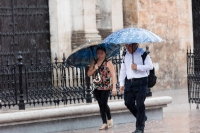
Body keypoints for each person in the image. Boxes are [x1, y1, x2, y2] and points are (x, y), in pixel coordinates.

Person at [119, 43, 153, 133]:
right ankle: (142, 117)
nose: (128, 48)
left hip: (141, 82)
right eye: (126, 46)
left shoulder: (143, 53)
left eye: (130, 46)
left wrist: (137, 67)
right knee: (128, 102)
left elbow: (150, 66)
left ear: (136, 45)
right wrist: (121, 83)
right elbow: (123, 69)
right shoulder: (125, 55)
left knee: (140, 104)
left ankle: (139, 128)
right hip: (129, 82)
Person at [87, 46, 117, 130]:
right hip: (96, 86)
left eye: (102, 53)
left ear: (105, 53)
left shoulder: (108, 62)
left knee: (104, 102)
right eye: (98, 53)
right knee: (100, 104)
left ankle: (109, 118)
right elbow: (89, 74)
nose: (100, 55)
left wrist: (114, 87)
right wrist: (94, 68)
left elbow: (113, 74)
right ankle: (104, 122)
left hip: (106, 86)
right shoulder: (94, 62)